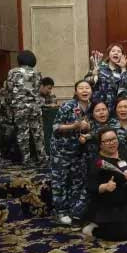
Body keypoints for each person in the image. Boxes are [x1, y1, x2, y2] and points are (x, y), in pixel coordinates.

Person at [84, 127, 127, 240]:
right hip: (107, 203)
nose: (112, 143)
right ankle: (93, 228)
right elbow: (91, 186)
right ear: (100, 144)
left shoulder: (123, 153)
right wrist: (105, 187)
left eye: (114, 139)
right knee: (119, 235)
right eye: (107, 141)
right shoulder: (97, 162)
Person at [50, 80, 93, 225]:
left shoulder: (92, 107)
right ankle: (60, 212)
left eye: (87, 88)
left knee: (77, 181)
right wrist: (74, 126)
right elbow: (55, 127)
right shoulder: (68, 106)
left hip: (79, 151)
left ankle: (74, 211)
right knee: (60, 182)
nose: (84, 90)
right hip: (62, 150)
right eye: (81, 88)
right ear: (75, 92)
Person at [6, 50, 47, 165]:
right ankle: (42, 158)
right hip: (35, 106)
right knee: (38, 133)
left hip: (20, 107)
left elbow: (9, 89)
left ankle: (26, 159)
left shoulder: (13, 72)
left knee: (22, 134)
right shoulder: (37, 73)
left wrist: (9, 106)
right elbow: (38, 90)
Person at [85, 43, 127, 113]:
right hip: (98, 108)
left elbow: (124, 88)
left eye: (119, 51)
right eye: (113, 51)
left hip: (114, 108)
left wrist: (123, 68)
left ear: (122, 55)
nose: (116, 53)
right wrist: (94, 74)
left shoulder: (122, 71)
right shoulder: (99, 67)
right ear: (109, 54)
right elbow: (86, 82)